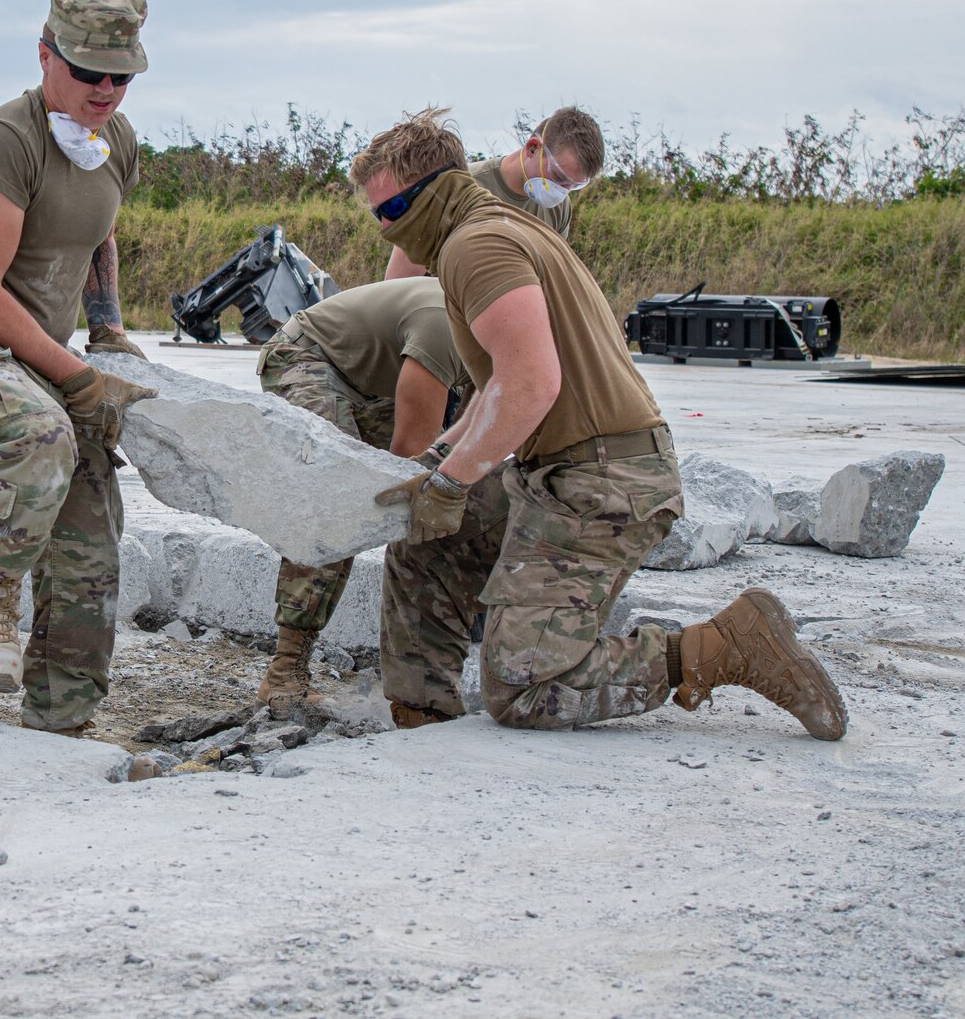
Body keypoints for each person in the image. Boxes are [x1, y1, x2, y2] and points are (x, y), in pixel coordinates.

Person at [361, 109, 846, 739]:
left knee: (525, 689)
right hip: (568, 471)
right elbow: (496, 386)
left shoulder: (474, 246)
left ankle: (722, 646)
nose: (385, 227)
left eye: (391, 208)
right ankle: (422, 712)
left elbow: (532, 386)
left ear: (432, 189)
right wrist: (440, 468)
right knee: (424, 535)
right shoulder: (497, 228)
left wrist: (452, 483)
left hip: (605, 483)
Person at [0, 0, 156, 734]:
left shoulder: (114, 140)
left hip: (44, 355)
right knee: (39, 432)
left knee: (91, 530)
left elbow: (99, 233)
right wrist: (77, 377)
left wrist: (107, 330)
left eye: (122, 74)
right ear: (46, 56)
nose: (106, 88)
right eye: (88, 72)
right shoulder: (4, 143)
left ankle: (62, 717)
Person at [252, 276, 469, 707]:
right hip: (306, 356)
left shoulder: (507, 339)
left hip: (373, 382)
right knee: (337, 498)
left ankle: (431, 662)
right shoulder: (443, 330)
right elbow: (408, 459)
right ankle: (285, 671)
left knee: (446, 489)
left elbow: (480, 427)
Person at [384, 106, 603, 279]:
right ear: (533, 148)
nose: (562, 191)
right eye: (559, 177)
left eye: (574, 186)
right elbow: (398, 285)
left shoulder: (558, 208)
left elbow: (550, 280)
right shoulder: (456, 188)